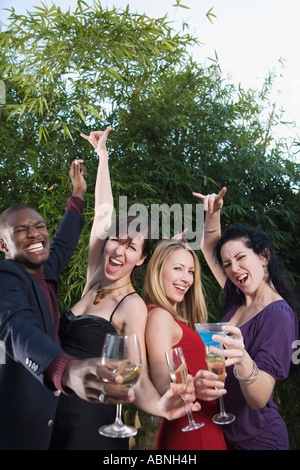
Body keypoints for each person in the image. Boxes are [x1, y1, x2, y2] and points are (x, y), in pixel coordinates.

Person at [49, 129, 199, 450]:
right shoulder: (94, 277)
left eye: (131, 247)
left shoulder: (133, 306)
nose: (119, 250)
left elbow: (138, 376)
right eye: (117, 239)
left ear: (142, 258)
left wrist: (160, 407)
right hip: (54, 411)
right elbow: (103, 212)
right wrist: (102, 156)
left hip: (91, 425)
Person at [0, 160, 134, 450]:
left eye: (39, 226)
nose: (35, 233)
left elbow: (63, 241)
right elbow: (17, 327)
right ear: (3, 245)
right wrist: (65, 369)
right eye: (22, 230)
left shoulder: (45, 270)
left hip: (57, 423)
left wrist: (78, 193)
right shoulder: (6, 278)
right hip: (20, 424)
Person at [193, 187, 299, 450]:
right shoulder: (237, 295)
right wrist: (213, 214)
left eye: (241, 258)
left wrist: (242, 358)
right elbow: (209, 246)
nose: (233, 269)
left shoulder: (278, 315)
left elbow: (260, 397)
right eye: (227, 264)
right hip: (225, 435)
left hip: (259, 440)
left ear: (263, 257)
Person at [144, 238, 227, 450]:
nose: (186, 279)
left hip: (205, 425)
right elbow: (164, 383)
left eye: (190, 271)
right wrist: (192, 388)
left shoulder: (175, 320)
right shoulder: (160, 316)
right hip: (191, 430)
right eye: (178, 268)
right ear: (157, 270)